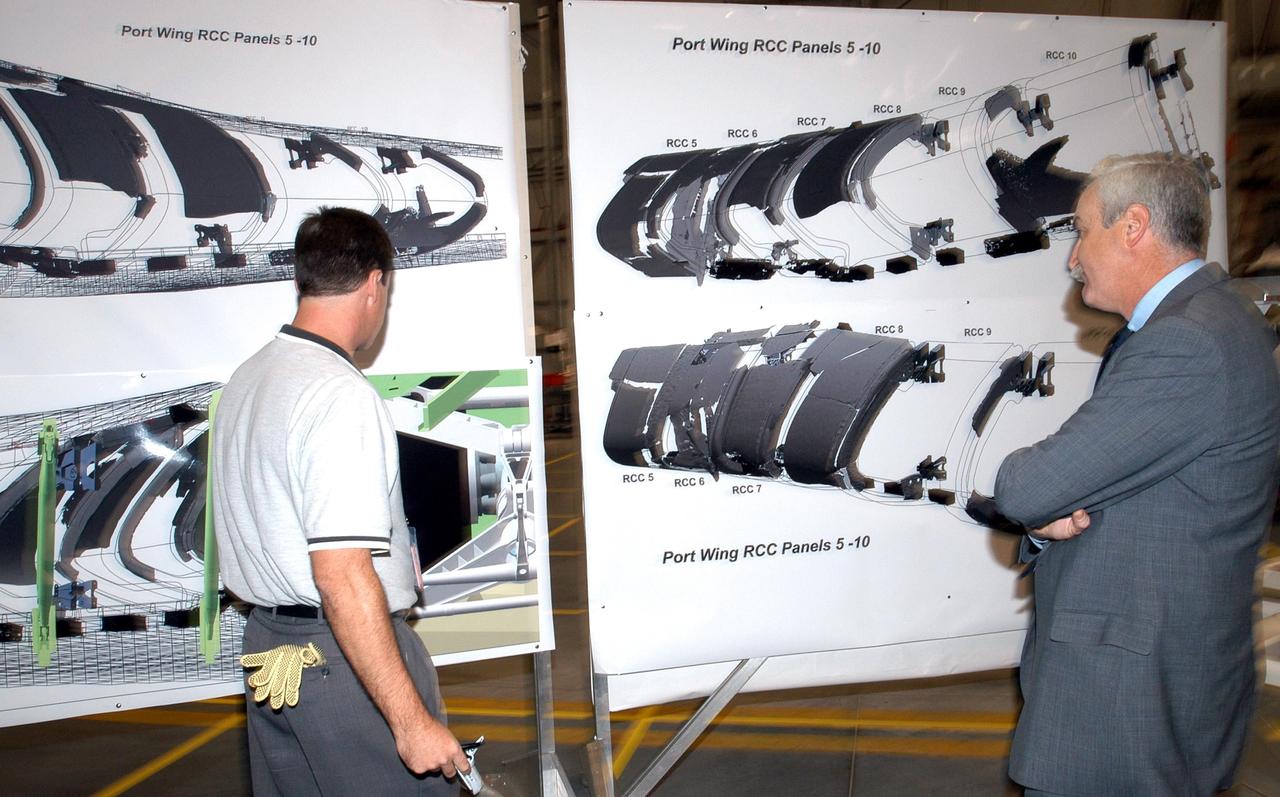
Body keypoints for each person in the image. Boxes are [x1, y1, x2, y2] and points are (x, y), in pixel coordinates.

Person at [991, 153, 1280, 796]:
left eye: (1082, 229)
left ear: (1134, 227)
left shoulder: (1188, 344)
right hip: (1164, 674)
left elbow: (1027, 486)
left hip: (1127, 702)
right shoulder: (1223, 323)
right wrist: (1049, 519)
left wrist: (1040, 504)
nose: (1072, 257)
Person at [212, 207, 469, 795]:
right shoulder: (336, 393)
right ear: (376, 283)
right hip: (342, 659)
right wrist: (409, 723)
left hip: (272, 651)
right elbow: (342, 576)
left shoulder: (248, 380)